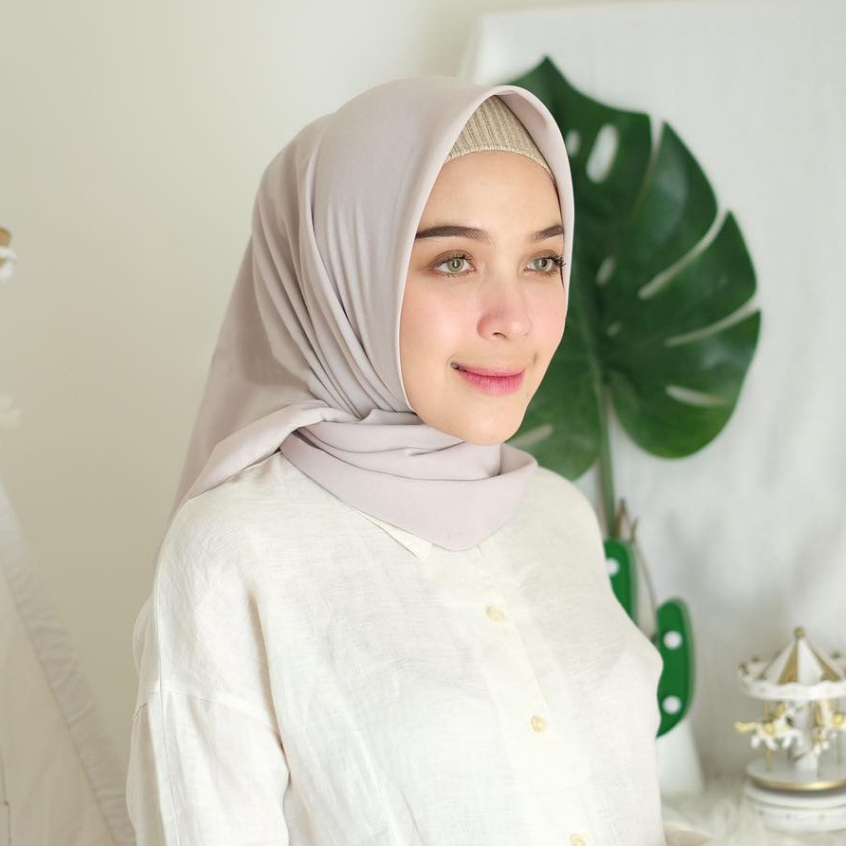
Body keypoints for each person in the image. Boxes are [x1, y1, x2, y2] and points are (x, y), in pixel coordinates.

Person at [126, 77, 715, 845]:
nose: (514, 319)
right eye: (456, 261)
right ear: (342, 275)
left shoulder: (558, 516)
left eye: (543, 262)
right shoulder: (237, 552)